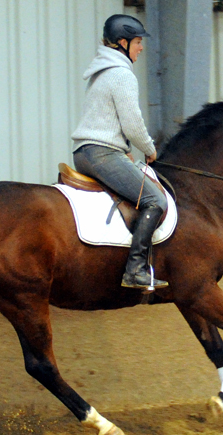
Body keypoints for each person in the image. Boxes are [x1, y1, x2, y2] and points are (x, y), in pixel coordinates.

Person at [71, 14, 168, 291]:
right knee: (155, 200)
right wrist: (150, 150)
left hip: (88, 151)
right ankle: (135, 269)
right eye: (137, 42)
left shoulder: (103, 71)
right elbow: (133, 123)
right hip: (102, 153)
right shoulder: (122, 74)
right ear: (123, 43)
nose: (140, 48)